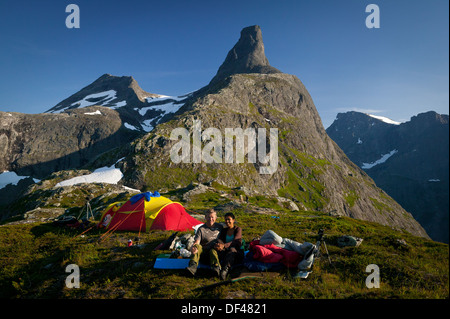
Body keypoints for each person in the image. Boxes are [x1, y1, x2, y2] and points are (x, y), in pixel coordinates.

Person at [186, 209, 223, 276]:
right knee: (197, 246)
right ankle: (192, 266)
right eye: (208, 217)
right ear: (205, 217)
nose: (210, 219)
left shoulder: (220, 227)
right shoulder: (201, 229)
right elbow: (197, 241)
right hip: (204, 254)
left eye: (212, 217)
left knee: (213, 251)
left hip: (216, 253)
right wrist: (193, 247)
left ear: (216, 218)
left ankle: (216, 268)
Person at [214, 212, 244, 280]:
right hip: (226, 251)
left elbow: (236, 241)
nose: (227, 221)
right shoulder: (224, 230)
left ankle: (225, 270)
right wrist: (219, 245)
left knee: (232, 250)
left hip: (236, 252)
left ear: (233, 220)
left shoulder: (238, 229)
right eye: (226, 220)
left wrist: (224, 245)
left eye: (229, 219)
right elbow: (220, 239)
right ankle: (215, 267)